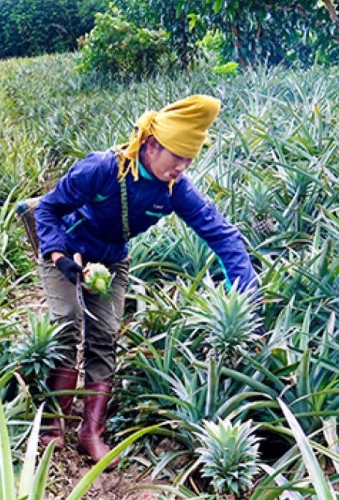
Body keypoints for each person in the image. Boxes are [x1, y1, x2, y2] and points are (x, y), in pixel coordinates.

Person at [33, 95, 258, 467]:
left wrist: (246, 297)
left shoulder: (176, 189)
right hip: (66, 252)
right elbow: (49, 208)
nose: (182, 168)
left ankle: (91, 431)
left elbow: (222, 236)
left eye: (190, 160)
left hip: (111, 260)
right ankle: (53, 427)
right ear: (152, 146)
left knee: (104, 334)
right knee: (69, 321)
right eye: (177, 157)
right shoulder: (102, 169)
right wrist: (57, 255)